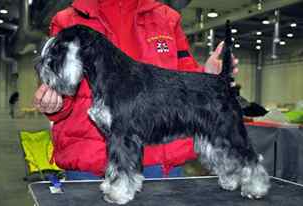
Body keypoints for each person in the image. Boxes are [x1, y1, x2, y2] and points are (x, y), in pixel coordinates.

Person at [33, 0, 238, 180]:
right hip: (90, 163)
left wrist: (208, 78)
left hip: (159, 163)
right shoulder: (67, 20)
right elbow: (61, 85)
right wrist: (54, 104)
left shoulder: (166, 17)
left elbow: (183, 75)